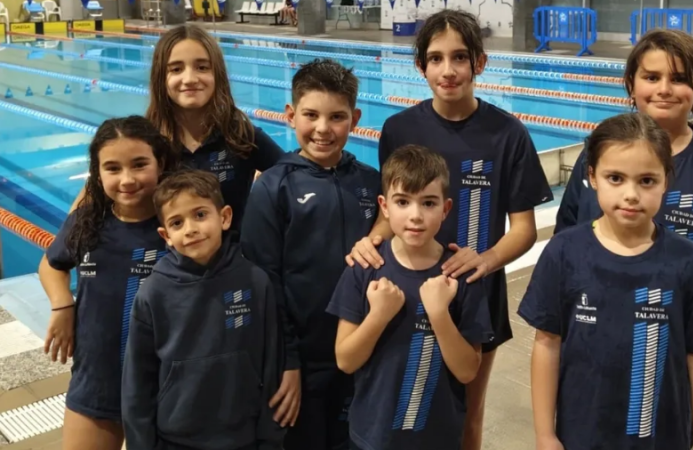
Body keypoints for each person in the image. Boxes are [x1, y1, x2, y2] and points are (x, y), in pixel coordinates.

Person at [345, 10, 552, 449]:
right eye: (436, 59)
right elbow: (390, 209)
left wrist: (485, 260)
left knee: (467, 418)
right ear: (420, 66)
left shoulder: (508, 134)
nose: (448, 70)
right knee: (399, 405)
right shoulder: (399, 129)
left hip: (474, 293)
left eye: (459, 57)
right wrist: (372, 241)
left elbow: (524, 229)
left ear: (480, 62)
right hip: (404, 287)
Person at [555, 28, 693, 408]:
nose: (664, 90)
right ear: (631, 84)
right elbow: (567, 244)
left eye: (680, 79)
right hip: (596, 346)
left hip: (683, 357)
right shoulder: (597, 158)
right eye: (652, 77)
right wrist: (558, 333)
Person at [520, 112, 693, 450]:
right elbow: (547, 344)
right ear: (592, 177)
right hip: (581, 438)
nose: (631, 194)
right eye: (615, 178)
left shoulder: (691, 263)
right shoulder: (564, 253)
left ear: (666, 181)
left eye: (647, 181)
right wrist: (545, 434)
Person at [240, 58, 381, 450]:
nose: (323, 129)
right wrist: (287, 362)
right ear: (290, 115)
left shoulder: (370, 182)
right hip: (303, 362)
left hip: (362, 354)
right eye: (311, 115)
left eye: (337, 117)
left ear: (355, 119)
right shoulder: (274, 187)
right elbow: (264, 283)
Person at [327, 144, 494, 450]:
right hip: (372, 437)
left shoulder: (460, 276)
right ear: (384, 206)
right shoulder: (365, 269)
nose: (415, 216)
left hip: (438, 439)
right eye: (403, 202)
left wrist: (440, 315)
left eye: (428, 203)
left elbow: (468, 371)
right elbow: (345, 360)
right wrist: (378, 316)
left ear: (445, 209)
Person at [39, 116, 177, 450]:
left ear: (160, 164)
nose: (127, 179)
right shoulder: (87, 222)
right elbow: (51, 264)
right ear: (97, 174)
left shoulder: (178, 228)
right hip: (97, 381)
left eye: (139, 164)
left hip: (165, 387)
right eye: (112, 168)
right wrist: (62, 305)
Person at [121, 170, 286, 449]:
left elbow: (271, 365)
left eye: (200, 215)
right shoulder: (154, 292)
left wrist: (270, 440)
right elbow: (137, 381)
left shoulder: (255, 281)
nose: (190, 229)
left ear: (225, 217)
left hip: (243, 438)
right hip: (175, 440)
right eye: (177, 222)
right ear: (166, 235)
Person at [69, 24, 285, 232]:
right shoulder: (144, 142)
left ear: (217, 74)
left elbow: (295, 179)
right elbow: (81, 213)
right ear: (161, 78)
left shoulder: (240, 136)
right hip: (162, 256)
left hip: (233, 256)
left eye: (202, 67)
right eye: (176, 69)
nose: (189, 79)